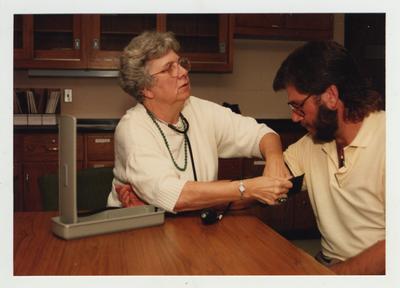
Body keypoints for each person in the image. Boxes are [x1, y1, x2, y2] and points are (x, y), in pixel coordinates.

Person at [107, 31, 292, 214]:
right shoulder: (132, 128)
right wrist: (246, 188)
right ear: (146, 88)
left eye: (180, 63)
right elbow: (173, 195)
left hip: (194, 222)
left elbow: (261, 134)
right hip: (135, 229)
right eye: (168, 68)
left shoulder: (198, 109)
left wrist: (275, 158)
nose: (183, 71)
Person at [273, 40, 385, 275]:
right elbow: (273, 182)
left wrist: (332, 277)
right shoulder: (313, 143)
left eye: (298, 106)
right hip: (328, 264)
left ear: (331, 96)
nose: (294, 118)